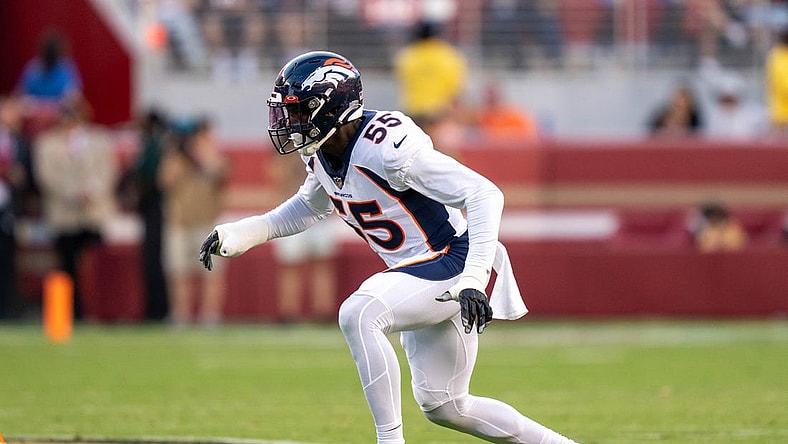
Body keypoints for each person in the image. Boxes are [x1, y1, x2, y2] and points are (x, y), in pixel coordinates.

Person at [199, 51, 579, 444]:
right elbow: (309, 206)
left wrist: (474, 277)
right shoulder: (324, 153)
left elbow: (484, 193)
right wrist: (243, 233)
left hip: (451, 261)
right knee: (446, 405)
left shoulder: (386, 146)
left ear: (330, 107)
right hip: (419, 272)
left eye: (298, 111)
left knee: (359, 313)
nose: (288, 123)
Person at [33, 96, 118, 320]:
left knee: (94, 265)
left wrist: (94, 189)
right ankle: (70, 313)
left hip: (93, 213)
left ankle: (97, 311)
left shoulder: (99, 139)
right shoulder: (47, 143)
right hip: (64, 214)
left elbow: (108, 170)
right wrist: (74, 192)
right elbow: (47, 176)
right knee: (67, 265)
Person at [160, 116, 228, 327]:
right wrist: (181, 157)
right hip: (179, 222)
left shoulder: (211, 155)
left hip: (207, 222)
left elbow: (222, 176)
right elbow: (165, 182)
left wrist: (202, 155)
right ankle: (181, 314)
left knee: (211, 272)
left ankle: (210, 315)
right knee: (179, 272)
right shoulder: (174, 158)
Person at [268, 153, 337, 323]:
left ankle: (323, 310)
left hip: (317, 213)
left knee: (320, 265)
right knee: (292, 266)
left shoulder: (317, 149)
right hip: (293, 213)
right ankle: (289, 311)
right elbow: (278, 177)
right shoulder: (286, 154)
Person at [393, 21, 469, 154]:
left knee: (413, 154)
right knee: (444, 154)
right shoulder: (448, 56)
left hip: (414, 111)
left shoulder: (407, 56)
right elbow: (455, 90)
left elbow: (403, 79)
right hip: (440, 111)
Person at [131, 108, 171, 321]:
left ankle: (157, 308)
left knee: (154, 259)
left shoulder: (156, 147)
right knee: (153, 259)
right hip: (152, 208)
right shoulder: (153, 145)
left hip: (155, 207)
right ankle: (155, 307)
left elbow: (148, 177)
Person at [0, 95, 34, 319]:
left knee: (7, 260)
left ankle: (8, 310)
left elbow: (30, 175)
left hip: (9, 210)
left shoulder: (22, 143)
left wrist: (21, 177)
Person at [765, 26, 788, 138]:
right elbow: (785, 86)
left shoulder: (775, 55)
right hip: (782, 115)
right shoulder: (780, 56)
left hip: (779, 113)